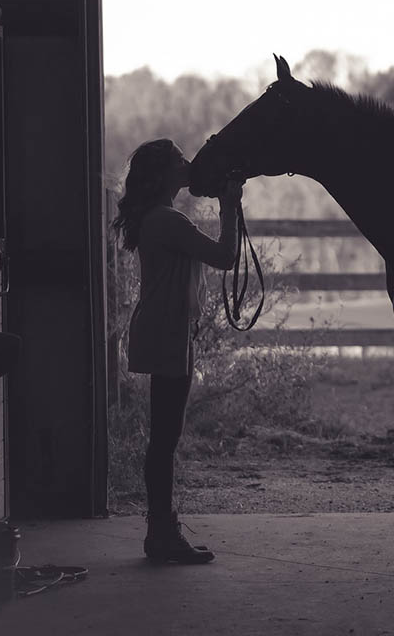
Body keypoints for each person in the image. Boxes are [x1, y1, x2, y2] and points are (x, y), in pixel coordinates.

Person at [110, 138, 243, 564]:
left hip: (165, 329)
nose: (188, 165)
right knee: (165, 439)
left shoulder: (158, 218)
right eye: (181, 161)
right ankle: (162, 535)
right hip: (167, 332)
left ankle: (161, 532)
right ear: (167, 173)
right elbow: (225, 256)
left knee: (164, 438)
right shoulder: (168, 221)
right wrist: (230, 205)